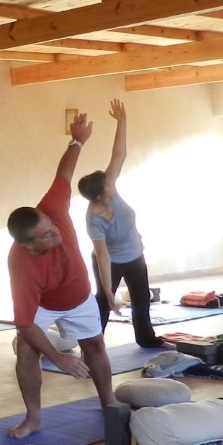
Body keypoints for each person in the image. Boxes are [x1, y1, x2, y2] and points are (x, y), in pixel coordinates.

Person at [4, 111, 118, 439]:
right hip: (44, 303)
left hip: (79, 294)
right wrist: (58, 358)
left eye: (52, 226)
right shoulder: (22, 267)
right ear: (27, 244)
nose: (56, 232)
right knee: (26, 350)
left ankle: (108, 400)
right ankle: (33, 417)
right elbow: (24, 322)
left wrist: (77, 140)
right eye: (47, 234)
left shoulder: (51, 209)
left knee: (95, 345)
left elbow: (64, 172)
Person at [78, 100, 165, 349]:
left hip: (135, 254)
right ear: (99, 194)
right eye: (106, 183)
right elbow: (103, 256)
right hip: (112, 261)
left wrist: (122, 121)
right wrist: (108, 290)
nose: (110, 182)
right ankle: (93, 344)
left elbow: (119, 154)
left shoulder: (111, 190)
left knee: (141, 299)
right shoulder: (93, 221)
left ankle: (146, 339)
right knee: (103, 302)